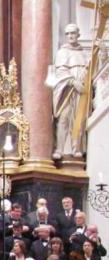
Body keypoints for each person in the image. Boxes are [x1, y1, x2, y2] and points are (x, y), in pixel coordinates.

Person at [52, 24, 88, 160]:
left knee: (79, 119)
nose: (70, 36)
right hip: (67, 89)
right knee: (64, 118)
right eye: (67, 34)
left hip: (81, 91)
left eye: (73, 33)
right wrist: (73, 82)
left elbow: (91, 69)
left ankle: (76, 148)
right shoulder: (62, 52)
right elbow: (60, 71)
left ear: (78, 34)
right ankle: (59, 149)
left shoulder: (84, 53)